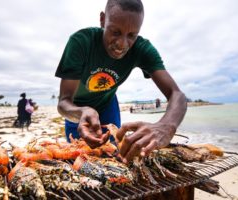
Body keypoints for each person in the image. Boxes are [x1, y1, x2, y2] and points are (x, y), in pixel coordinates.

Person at [55, 0, 187, 163]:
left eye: (132, 35)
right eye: (115, 32)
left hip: (108, 103)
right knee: (80, 157)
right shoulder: (81, 42)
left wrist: (167, 126)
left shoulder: (142, 49)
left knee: (113, 154)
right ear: (103, 20)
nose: (122, 44)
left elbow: (177, 94)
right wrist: (80, 112)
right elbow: (63, 102)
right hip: (77, 108)